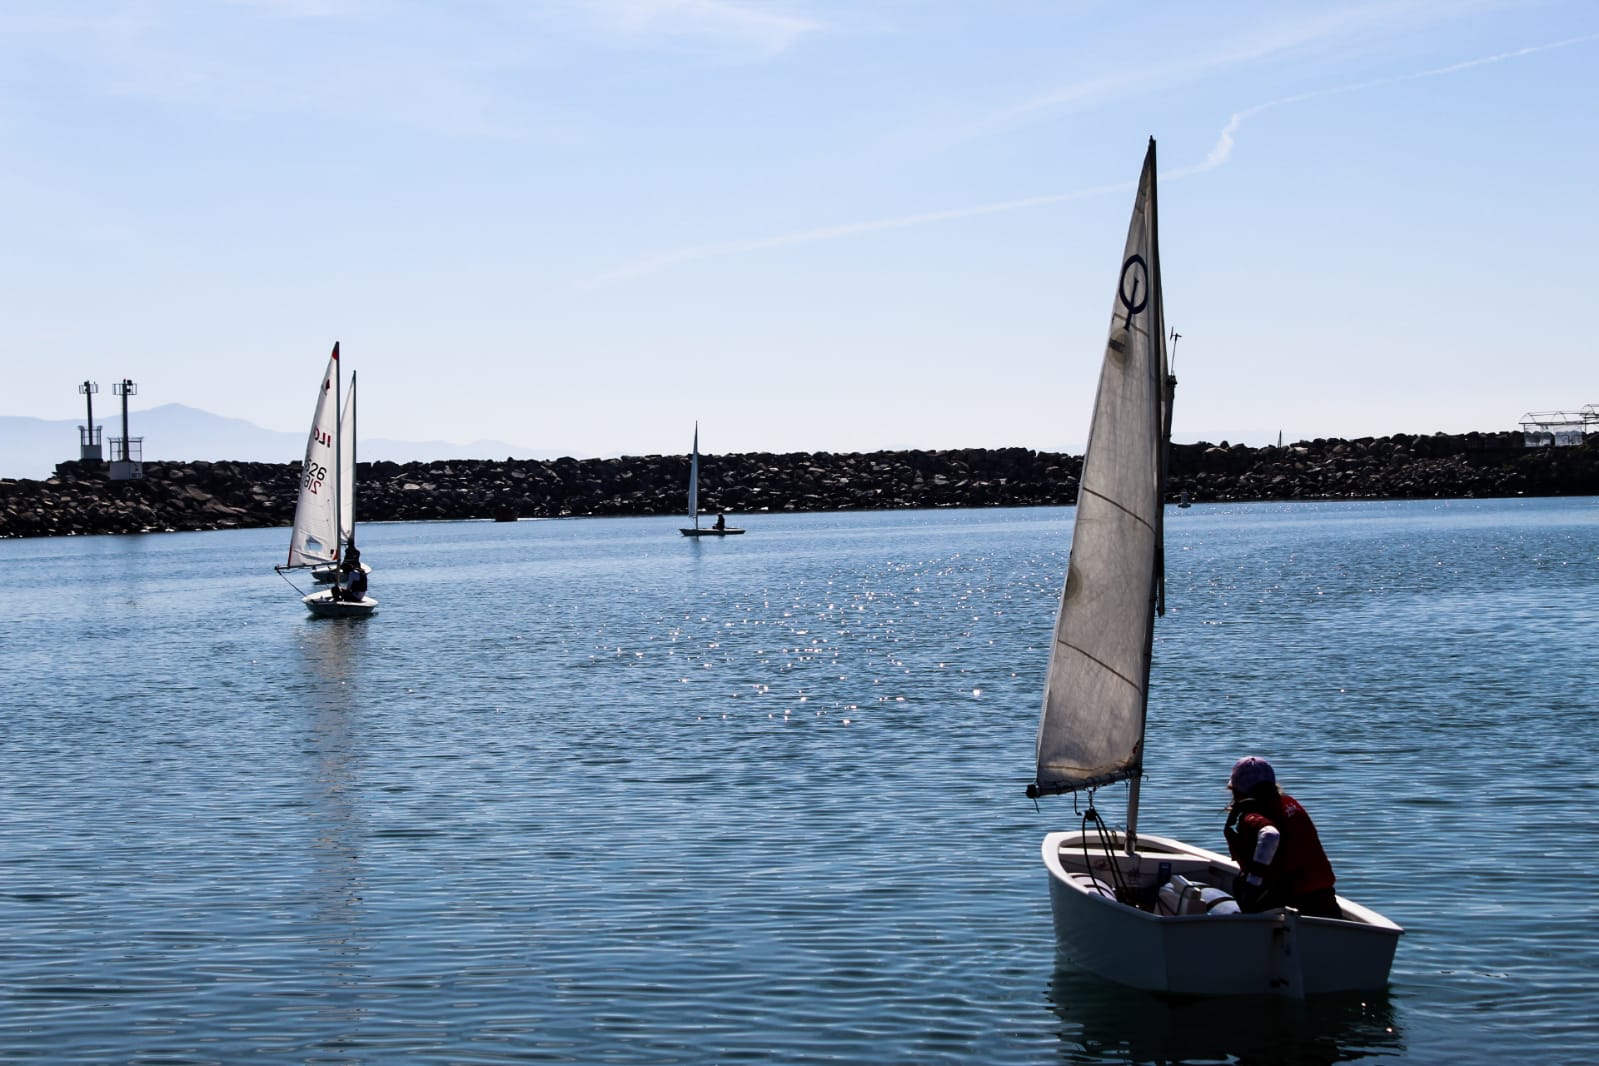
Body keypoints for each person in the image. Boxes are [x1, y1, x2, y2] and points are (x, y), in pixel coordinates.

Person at [1222, 756, 1341, 918]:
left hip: (1291, 902)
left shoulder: (1252, 814)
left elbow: (1270, 834)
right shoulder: (1290, 804)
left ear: (1237, 790)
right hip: (1324, 898)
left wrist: (1252, 886)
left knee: (1240, 887)